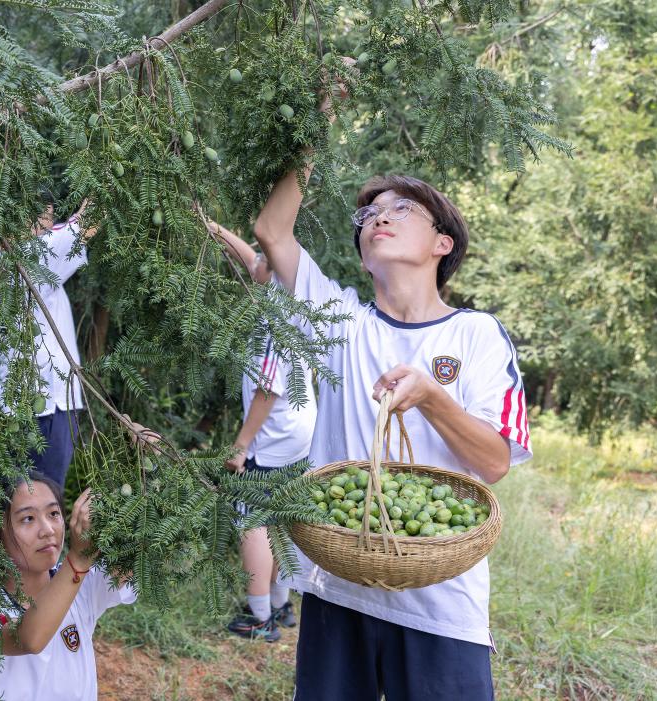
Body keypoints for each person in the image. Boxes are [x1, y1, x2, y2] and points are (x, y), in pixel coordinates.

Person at [250, 87, 532, 697]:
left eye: (403, 209)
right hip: (338, 589)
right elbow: (272, 230)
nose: (379, 214)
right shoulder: (339, 322)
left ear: (442, 244)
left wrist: (433, 395)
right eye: (371, 212)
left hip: (441, 608)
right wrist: (316, 119)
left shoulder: (478, 334)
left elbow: (493, 462)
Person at [207, 220, 317, 641]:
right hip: (299, 433)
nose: (255, 260)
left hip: (274, 439)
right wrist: (217, 231)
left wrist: (241, 444)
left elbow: (268, 389)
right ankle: (281, 605)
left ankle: (258, 618)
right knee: (281, 518)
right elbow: (252, 260)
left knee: (253, 519)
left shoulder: (274, 318)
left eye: (262, 256)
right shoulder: (290, 294)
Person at [0, 472, 135, 700]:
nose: (48, 530)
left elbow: (144, 553)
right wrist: (79, 559)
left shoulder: (81, 585)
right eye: (28, 519)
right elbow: (28, 639)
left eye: (54, 514)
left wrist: (145, 458)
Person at [0, 198, 98, 487]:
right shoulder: (32, 256)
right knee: (44, 500)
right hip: (45, 411)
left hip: (4, 413)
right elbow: (88, 221)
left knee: (12, 508)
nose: (51, 224)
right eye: (47, 215)